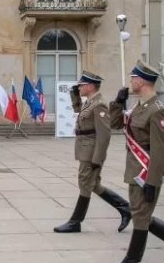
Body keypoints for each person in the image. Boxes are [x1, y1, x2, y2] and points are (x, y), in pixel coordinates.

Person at [105, 61, 164, 263]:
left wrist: (153, 182)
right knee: (140, 214)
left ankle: (131, 262)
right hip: (135, 168)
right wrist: (117, 103)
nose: (131, 81)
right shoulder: (139, 106)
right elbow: (116, 125)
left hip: (146, 171)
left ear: (142, 81)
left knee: (141, 215)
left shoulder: (157, 111)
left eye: (133, 78)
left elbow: (161, 151)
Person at [54, 72, 131, 233]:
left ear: (90, 86)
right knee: (93, 184)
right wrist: (74, 94)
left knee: (85, 183)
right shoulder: (90, 102)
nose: (79, 87)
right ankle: (125, 208)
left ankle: (76, 221)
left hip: (91, 153)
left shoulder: (99, 105)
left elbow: (104, 135)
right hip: (85, 149)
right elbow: (79, 112)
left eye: (81, 85)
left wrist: (98, 159)